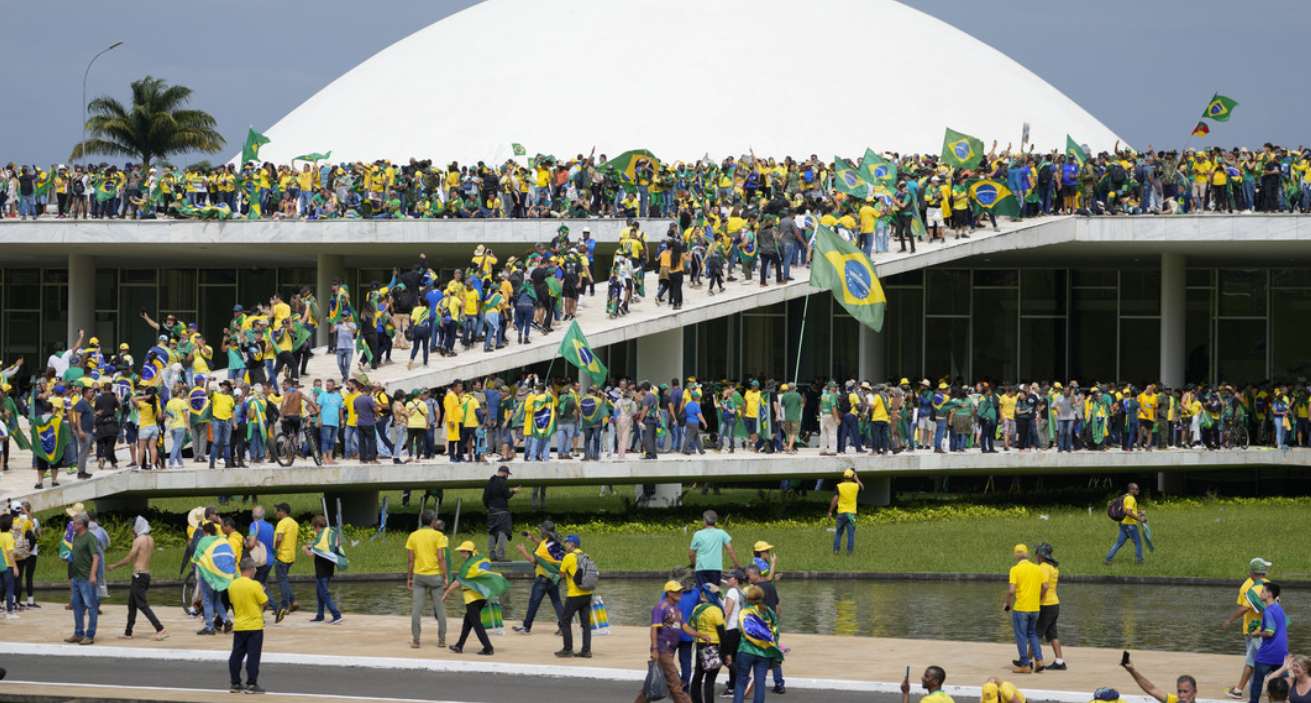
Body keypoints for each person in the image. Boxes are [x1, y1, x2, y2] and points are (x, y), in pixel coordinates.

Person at [636, 580, 708, 703]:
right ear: (669, 593)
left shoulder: (677, 609)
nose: (680, 593)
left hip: (670, 650)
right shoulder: (660, 608)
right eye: (676, 591)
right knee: (675, 684)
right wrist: (655, 650)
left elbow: (685, 627)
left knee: (656, 682)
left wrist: (700, 635)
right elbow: (654, 629)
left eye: (680, 590)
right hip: (662, 649)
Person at [106, 516, 166, 640]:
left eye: (133, 526)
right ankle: (128, 632)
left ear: (137, 526)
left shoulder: (139, 541)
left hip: (138, 575)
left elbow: (129, 559)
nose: (132, 529)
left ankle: (159, 628)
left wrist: (114, 565)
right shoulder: (150, 539)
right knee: (132, 604)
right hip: (145, 574)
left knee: (142, 605)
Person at [1223, 558, 1274, 699]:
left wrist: (1229, 620)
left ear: (1252, 572)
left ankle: (1281, 687)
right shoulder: (1269, 585)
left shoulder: (1248, 587)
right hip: (1263, 631)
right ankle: (1244, 690)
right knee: (1252, 661)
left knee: (1265, 660)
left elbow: (1243, 607)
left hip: (1257, 631)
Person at [441, 541, 502, 655]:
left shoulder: (468, 566)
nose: (460, 554)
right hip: (482, 596)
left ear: (467, 552)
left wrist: (446, 594)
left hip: (472, 598)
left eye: (461, 551)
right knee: (468, 621)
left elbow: (456, 583)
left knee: (476, 624)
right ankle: (459, 646)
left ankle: (488, 648)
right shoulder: (483, 559)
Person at [732, 584, 784, 703]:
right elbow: (775, 632)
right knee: (760, 683)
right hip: (764, 652)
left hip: (746, 650)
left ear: (748, 598)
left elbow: (740, 630)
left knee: (741, 681)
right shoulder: (769, 612)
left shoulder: (745, 612)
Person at [513, 520, 565, 636]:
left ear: (545, 533)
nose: (540, 531)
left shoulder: (543, 546)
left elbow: (533, 559)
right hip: (553, 577)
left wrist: (523, 552)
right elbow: (543, 547)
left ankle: (526, 627)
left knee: (534, 603)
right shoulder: (554, 542)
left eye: (541, 530)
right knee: (557, 603)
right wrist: (533, 539)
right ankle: (564, 627)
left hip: (543, 578)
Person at [406, 510, 449, 648]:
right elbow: (441, 557)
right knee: (439, 608)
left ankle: (416, 640)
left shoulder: (413, 535)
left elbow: (410, 559)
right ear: (432, 522)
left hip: (419, 575)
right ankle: (441, 640)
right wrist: (446, 576)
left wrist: (409, 577)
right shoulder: (438, 535)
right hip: (435, 576)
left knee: (416, 609)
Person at [228, 557, 268, 694]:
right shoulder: (255, 585)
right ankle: (251, 684)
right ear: (251, 569)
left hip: (239, 625)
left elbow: (233, 602)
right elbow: (264, 602)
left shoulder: (232, 585)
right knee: (253, 656)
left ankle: (235, 683)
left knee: (236, 655)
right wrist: (262, 590)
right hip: (254, 625)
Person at [1004, 544, 1046, 673]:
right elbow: (1045, 586)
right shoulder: (1037, 568)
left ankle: (1025, 665)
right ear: (1027, 554)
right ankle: (1039, 661)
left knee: (1021, 637)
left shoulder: (1015, 569)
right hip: (1035, 608)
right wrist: (1038, 598)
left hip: (1021, 608)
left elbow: (1011, 590)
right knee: (1032, 634)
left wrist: (1007, 603)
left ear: (1016, 556)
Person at [556, 534, 594, 658]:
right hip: (587, 593)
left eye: (566, 543)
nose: (565, 545)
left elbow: (561, 575)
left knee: (565, 620)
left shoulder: (568, 557)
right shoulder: (586, 556)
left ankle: (567, 649)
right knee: (585, 623)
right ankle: (586, 650)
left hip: (574, 594)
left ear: (571, 545)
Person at [64, 512, 99, 645]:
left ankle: (90, 635)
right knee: (77, 605)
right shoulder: (75, 537)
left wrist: (92, 574)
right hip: (77, 578)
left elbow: (95, 557)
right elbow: (76, 554)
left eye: (74, 523)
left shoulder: (90, 538)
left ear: (81, 524)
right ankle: (78, 633)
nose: (72, 525)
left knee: (91, 606)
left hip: (86, 577)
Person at [1250, 583, 1288, 703]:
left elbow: (1270, 632)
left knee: (1257, 682)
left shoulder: (1268, 611)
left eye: (1263, 591)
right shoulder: (1279, 608)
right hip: (1282, 653)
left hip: (1267, 653)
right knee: (1285, 682)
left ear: (1270, 594)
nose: (1260, 593)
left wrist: (1257, 634)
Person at [301, 515, 343, 624]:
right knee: (319, 593)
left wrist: (306, 549)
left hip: (321, 569)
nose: (315, 531)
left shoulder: (321, 538)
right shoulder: (331, 534)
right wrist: (312, 546)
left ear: (317, 527)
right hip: (329, 568)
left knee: (324, 593)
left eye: (314, 528)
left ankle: (336, 614)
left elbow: (311, 554)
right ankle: (320, 615)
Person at [689, 583, 726, 703]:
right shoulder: (715, 610)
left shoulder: (697, 609)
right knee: (710, 679)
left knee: (698, 676)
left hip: (700, 643)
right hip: (714, 645)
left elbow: (693, 626)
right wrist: (726, 650)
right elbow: (721, 631)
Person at [1033, 542, 1065, 669]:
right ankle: (1059, 661)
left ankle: (1026, 661)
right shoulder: (1053, 567)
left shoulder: (1044, 567)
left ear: (1041, 555)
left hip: (1045, 604)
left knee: (1035, 634)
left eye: (1036, 553)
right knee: (1052, 634)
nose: (1035, 556)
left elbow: (1044, 585)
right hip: (1054, 604)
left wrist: (1038, 598)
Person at [689, 511, 740, 587]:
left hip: (701, 569)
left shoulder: (697, 534)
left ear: (705, 521)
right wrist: (737, 565)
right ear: (715, 521)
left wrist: (693, 564)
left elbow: (691, 553)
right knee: (715, 591)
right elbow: (730, 550)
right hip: (715, 568)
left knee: (701, 593)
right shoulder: (721, 533)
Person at [1121, 654, 1197, 703]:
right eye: (1179, 691)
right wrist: (1132, 671)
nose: (1181, 696)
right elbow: (1152, 689)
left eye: (1185, 692)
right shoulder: (1174, 701)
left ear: (1194, 693)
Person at [482, 465, 519, 561]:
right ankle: (501, 555)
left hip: (491, 511)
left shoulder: (489, 482)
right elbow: (506, 496)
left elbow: (484, 498)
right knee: (503, 531)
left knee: (492, 532)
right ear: (505, 474)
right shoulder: (503, 482)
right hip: (502, 511)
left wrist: (488, 507)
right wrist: (514, 491)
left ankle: (492, 554)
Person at [1105, 483, 1147, 566]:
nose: (1138, 490)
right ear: (1131, 490)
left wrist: (1139, 511)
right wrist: (1140, 519)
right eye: (1136, 489)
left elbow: (1128, 509)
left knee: (1119, 543)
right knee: (1138, 542)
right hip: (1129, 525)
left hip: (1123, 523)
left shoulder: (1126, 496)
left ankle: (1108, 559)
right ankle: (1141, 563)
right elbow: (1128, 512)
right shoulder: (1131, 499)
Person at [271, 503, 299, 621]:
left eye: (278, 510)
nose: (276, 512)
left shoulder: (282, 523)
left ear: (283, 512)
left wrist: (275, 552)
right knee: (284, 580)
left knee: (282, 581)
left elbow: (279, 538)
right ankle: (293, 601)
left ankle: (284, 607)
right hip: (291, 556)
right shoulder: (294, 523)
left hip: (282, 556)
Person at [827, 469, 863, 555]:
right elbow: (862, 487)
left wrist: (830, 511)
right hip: (851, 514)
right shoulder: (855, 486)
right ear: (852, 477)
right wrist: (857, 479)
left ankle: (835, 550)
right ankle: (849, 552)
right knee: (850, 534)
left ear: (843, 476)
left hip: (841, 513)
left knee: (839, 532)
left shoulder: (839, 486)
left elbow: (835, 499)